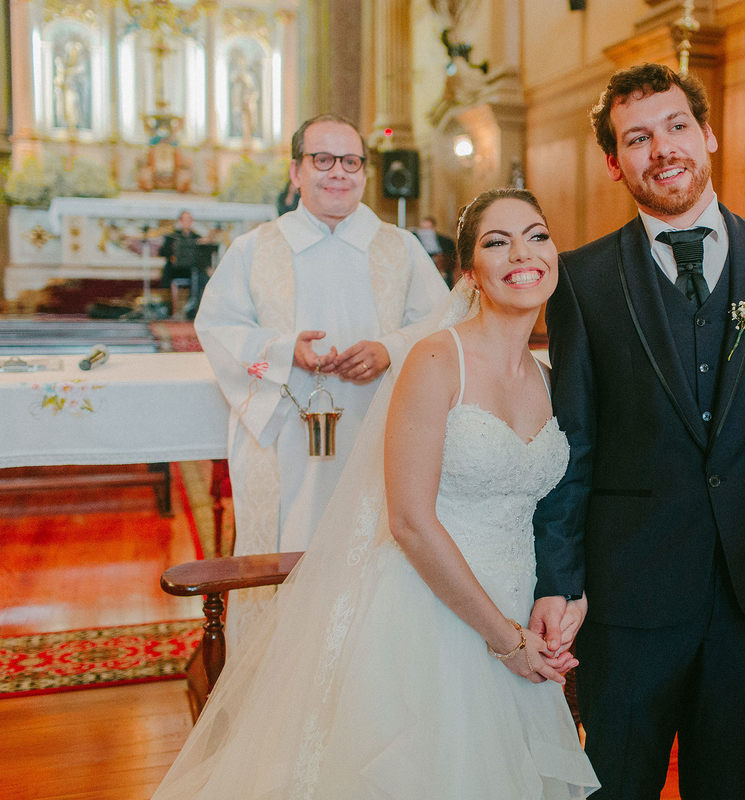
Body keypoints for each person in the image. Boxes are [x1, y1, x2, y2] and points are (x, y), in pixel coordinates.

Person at [153, 188, 599, 799]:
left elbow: (549, 505)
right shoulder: (436, 360)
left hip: (519, 605)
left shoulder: (549, 380)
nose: (523, 253)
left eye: (537, 235)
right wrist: (504, 639)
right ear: (468, 271)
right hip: (427, 614)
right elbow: (411, 520)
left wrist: (560, 597)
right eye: (498, 242)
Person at [530, 63, 745, 800]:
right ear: (615, 164)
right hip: (629, 595)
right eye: (637, 138)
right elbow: (570, 446)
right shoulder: (581, 279)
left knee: (727, 784)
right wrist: (561, 579)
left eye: (676, 126)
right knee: (618, 784)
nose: (662, 148)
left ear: (707, 133)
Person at [194, 113, 448, 643]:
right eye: (323, 160)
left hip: (380, 430)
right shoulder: (254, 250)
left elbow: (444, 325)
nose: (339, 173)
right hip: (285, 435)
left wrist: (389, 348)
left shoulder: (399, 249)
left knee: (375, 554)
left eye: (351, 162)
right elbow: (217, 328)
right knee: (291, 553)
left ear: (364, 171)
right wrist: (286, 352)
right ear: (296, 170)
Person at [158, 211, 203, 289]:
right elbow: (163, 251)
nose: (187, 222)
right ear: (180, 221)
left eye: (189, 220)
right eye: (185, 220)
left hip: (192, 269)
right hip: (175, 269)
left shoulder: (197, 237)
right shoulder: (172, 237)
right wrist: (172, 255)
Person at [415, 215, 458, 288]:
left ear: (434, 228)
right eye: (423, 229)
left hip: (442, 274)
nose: (425, 232)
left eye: (428, 228)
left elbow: (452, 259)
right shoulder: (416, 240)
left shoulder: (446, 241)